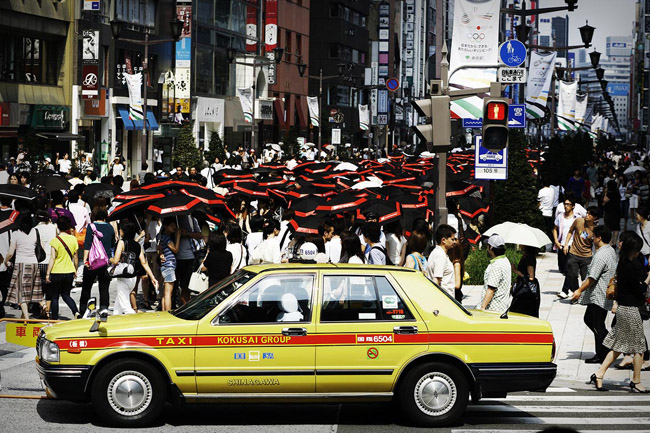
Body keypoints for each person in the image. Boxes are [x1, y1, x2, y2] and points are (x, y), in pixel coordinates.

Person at [591, 232, 650, 392]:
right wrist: (648, 278)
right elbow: (640, 289)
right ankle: (636, 382)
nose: (639, 251)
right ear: (632, 249)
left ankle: (599, 374)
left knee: (618, 346)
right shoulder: (627, 266)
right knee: (639, 346)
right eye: (637, 249)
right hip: (630, 309)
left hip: (625, 309)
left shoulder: (626, 262)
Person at [570, 225, 616, 364]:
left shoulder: (601, 255)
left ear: (599, 238)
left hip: (599, 296)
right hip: (600, 295)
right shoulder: (610, 250)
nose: (592, 238)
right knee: (590, 320)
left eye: (594, 236)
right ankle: (604, 348)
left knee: (597, 324)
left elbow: (592, 277)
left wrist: (579, 290)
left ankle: (603, 352)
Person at [110, 220, 159, 315]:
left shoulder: (121, 242)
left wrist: (109, 259)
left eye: (120, 229)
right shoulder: (137, 245)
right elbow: (144, 263)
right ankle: (115, 321)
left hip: (123, 276)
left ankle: (136, 323)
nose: (119, 231)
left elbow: (115, 261)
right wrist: (153, 278)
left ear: (124, 231)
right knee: (118, 304)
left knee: (125, 307)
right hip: (133, 277)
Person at [4, 217, 45, 319]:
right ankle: (42, 305)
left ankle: (26, 319)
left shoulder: (16, 234)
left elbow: (10, 253)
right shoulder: (35, 232)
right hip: (34, 264)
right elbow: (42, 247)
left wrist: (6, 261)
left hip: (21, 264)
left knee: (21, 292)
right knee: (32, 290)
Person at [79, 207, 116, 315]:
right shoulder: (110, 227)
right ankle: (104, 308)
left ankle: (83, 309)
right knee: (104, 287)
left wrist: (86, 260)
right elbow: (112, 244)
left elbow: (87, 245)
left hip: (93, 261)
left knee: (86, 286)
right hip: (106, 261)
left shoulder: (91, 227)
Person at [558, 206, 599, 299]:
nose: (587, 215)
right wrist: (565, 244)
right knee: (571, 275)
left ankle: (584, 296)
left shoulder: (595, 229)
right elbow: (570, 231)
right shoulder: (579, 221)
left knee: (585, 278)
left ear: (595, 217)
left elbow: (597, 244)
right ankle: (576, 292)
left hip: (586, 256)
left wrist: (596, 256)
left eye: (590, 214)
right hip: (574, 253)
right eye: (587, 213)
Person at [44, 216, 79, 320]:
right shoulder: (73, 239)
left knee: (55, 297)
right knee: (66, 295)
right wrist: (75, 270)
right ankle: (76, 312)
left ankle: (54, 319)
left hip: (57, 271)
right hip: (69, 271)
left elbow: (52, 258)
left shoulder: (55, 240)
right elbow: (76, 257)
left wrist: (47, 274)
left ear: (58, 227)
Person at [479, 234, 511, 313]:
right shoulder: (505, 260)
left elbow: (491, 289)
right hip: (502, 306)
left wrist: (482, 307)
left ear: (491, 247)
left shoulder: (497, 265)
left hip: (493, 309)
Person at [425, 224, 457, 296]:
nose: (454, 242)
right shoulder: (440, 256)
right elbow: (436, 280)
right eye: (452, 239)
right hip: (444, 299)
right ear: (443, 240)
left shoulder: (436, 253)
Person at [510, 245, 540, 317]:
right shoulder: (525, 255)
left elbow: (531, 277)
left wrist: (516, 271)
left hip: (526, 290)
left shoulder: (529, 257)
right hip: (522, 287)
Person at [159, 218, 181, 311]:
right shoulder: (167, 238)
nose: (174, 227)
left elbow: (159, 246)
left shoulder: (162, 237)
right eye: (171, 225)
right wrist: (178, 237)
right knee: (169, 293)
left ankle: (164, 312)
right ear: (166, 227)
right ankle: (167, 314)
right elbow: (176, 249)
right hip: (169, 266)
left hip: (165, 266)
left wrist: (161, 254)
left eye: (174, 225)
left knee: (165, 293)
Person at [553, 196, 578, 275]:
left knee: (570, 270)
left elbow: (581, 231)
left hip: (573, 246)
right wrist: (556, 241)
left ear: (573, 206)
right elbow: (554, 229)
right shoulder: (560, 217)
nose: (566, 206)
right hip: (562, 245)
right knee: (562, 269)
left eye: (568, 204)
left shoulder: (577, 218)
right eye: (565, 204)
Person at [602, 180, 621, 246]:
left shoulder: (609, 193)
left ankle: (610, 242)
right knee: (616, 228)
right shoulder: (617, 193)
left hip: (609, 212)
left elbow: (605, 200)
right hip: (617, 212)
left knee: (609, 227)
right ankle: (614, 242)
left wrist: (605, 192)